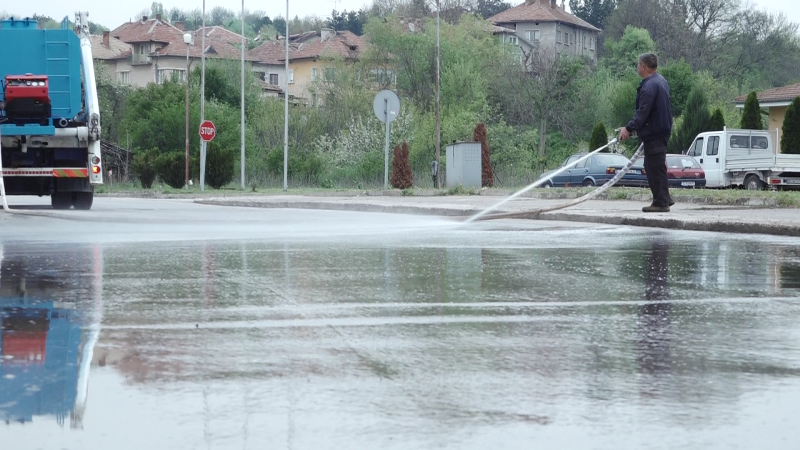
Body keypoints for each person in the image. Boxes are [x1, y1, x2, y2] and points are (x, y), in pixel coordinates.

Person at [620, 53, 674, 213]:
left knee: (654, 167)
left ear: (643, 66)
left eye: (638, 65)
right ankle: (665, 198)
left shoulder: (649, 86)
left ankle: (661, 202)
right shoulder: (661, 81)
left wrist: (628, 128)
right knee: (657, 165)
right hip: (662, 129)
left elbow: (643, 112)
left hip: (654, 131)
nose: (637, 67)